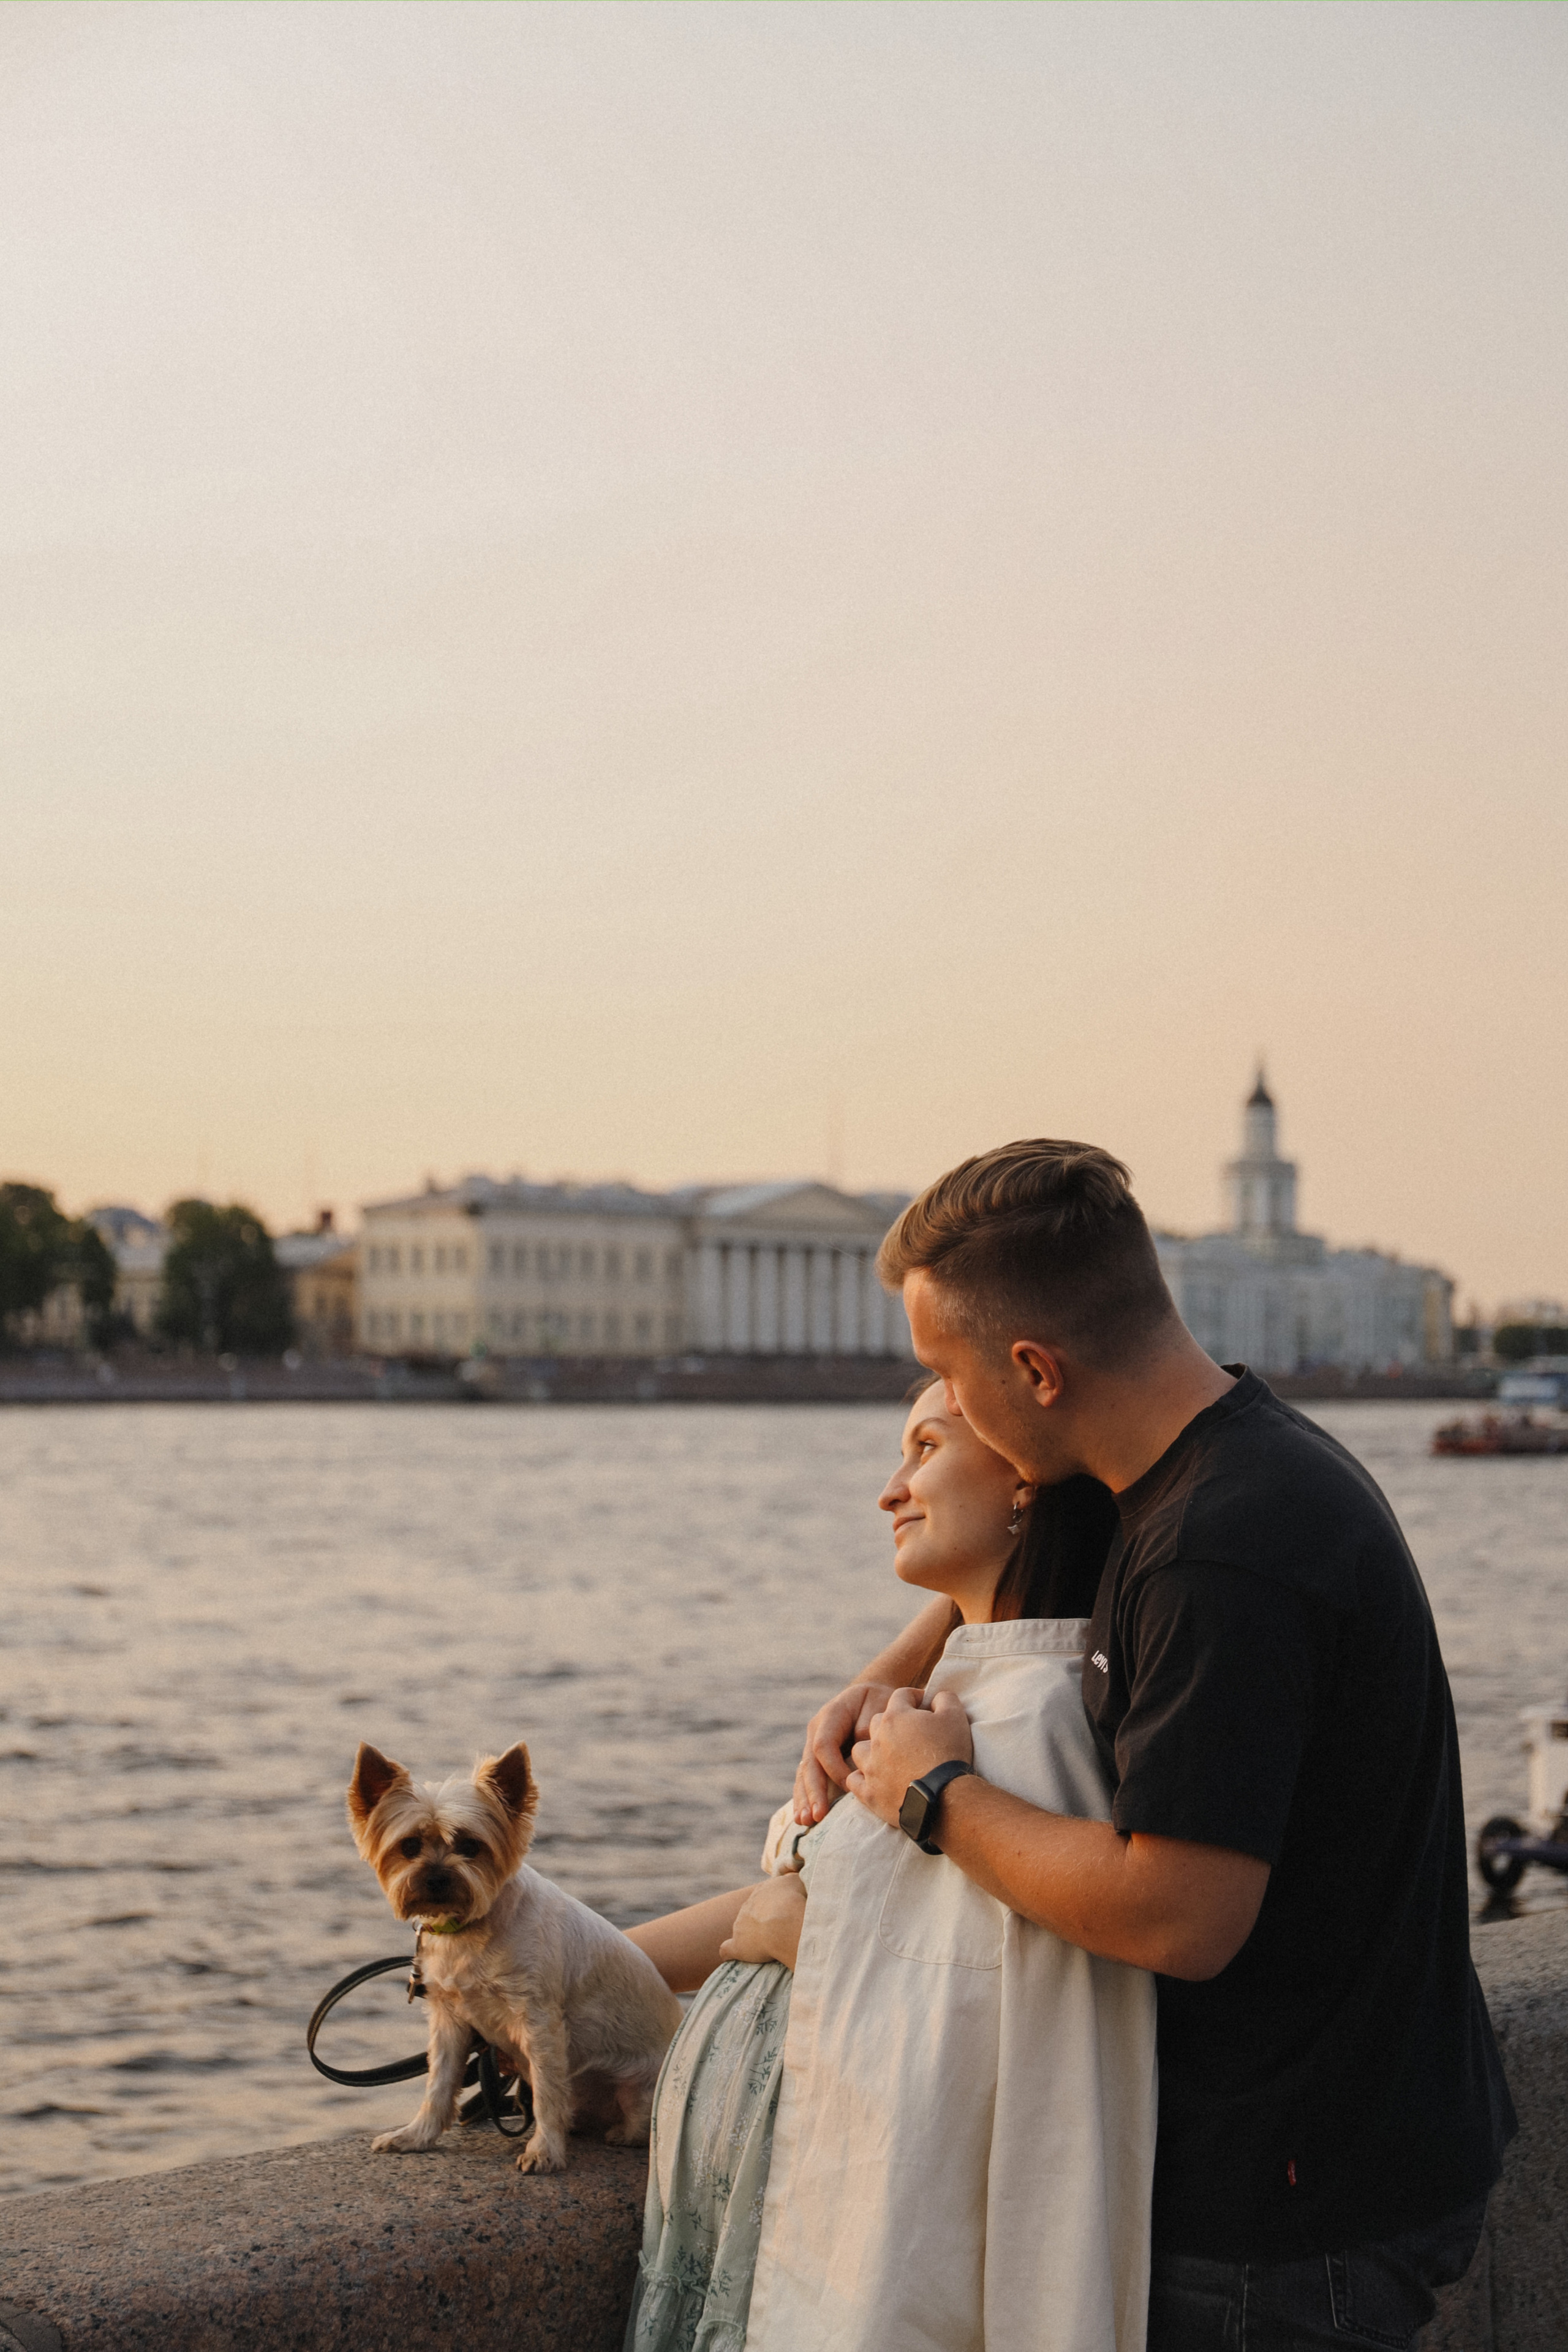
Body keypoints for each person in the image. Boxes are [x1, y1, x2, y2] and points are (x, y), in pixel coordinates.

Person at [794, 1139, 1515, 2352]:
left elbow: (1177, 1913)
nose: (945, 1411)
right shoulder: (1192, 1453)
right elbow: (1033, 1562)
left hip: (1289, 2222)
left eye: (944, 1377)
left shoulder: (1218, 1551)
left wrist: (936, 1797)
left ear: (1033, 1368)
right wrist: (880, 1679)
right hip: (1354, 2139)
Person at [624, 1380, 1154, 2352]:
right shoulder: (952, 1698)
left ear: (1024, 1481)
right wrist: (588, 1972)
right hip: (785, 2246)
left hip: (855, 2282)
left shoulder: (1027, 1720)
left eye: (924, 1448)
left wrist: (792, 1936)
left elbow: (997, 2036)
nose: (891, 1490)